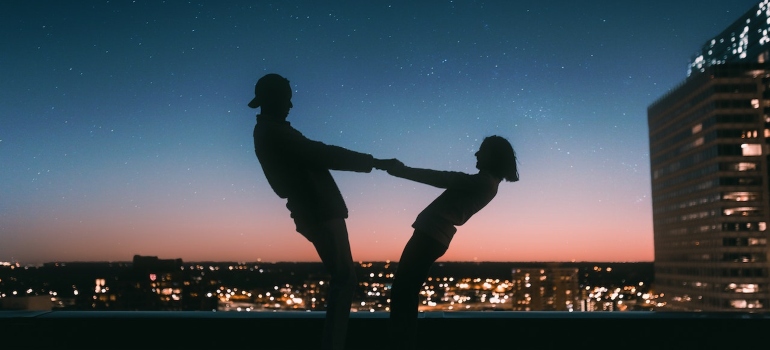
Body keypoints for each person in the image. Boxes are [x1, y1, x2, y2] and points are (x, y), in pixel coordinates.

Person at [248, 73, 398, 350]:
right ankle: (333, 344)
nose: (291, 106)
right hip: (317, 209)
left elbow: (316, 154)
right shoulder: (274, 132)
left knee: (344, 278)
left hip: (314, 209)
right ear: (276, 99)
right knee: (344, 279)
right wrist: (374, 162)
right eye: (288, 99)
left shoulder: (273, 131)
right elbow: (323, 153)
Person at [383, 135, 519, 349]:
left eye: (481, 150)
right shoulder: (486, 183)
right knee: (405, 291)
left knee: (403, 291)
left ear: (493, 156)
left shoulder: (484, 183)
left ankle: (400, 343)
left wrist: (402, 171)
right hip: (434, 236)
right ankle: (401, 341)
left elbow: (443, 178)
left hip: (430, 236)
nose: (476, 153)